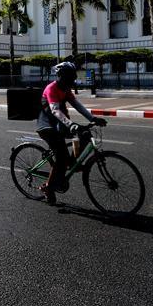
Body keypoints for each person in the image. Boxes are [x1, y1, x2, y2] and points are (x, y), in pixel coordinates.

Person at [36, 62, 106, 205]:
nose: (72, 80)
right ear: (61, 76)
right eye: (69, 76)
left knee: (85, 134)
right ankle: (48, 188)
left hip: (60, 124)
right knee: (61, 158)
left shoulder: (66, 89)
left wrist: (93, 118)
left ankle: (71, 163)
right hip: (47, 127)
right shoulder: (52, 88)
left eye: (73, 77)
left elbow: (77, 105)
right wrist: (71, 124)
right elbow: (55, 110)